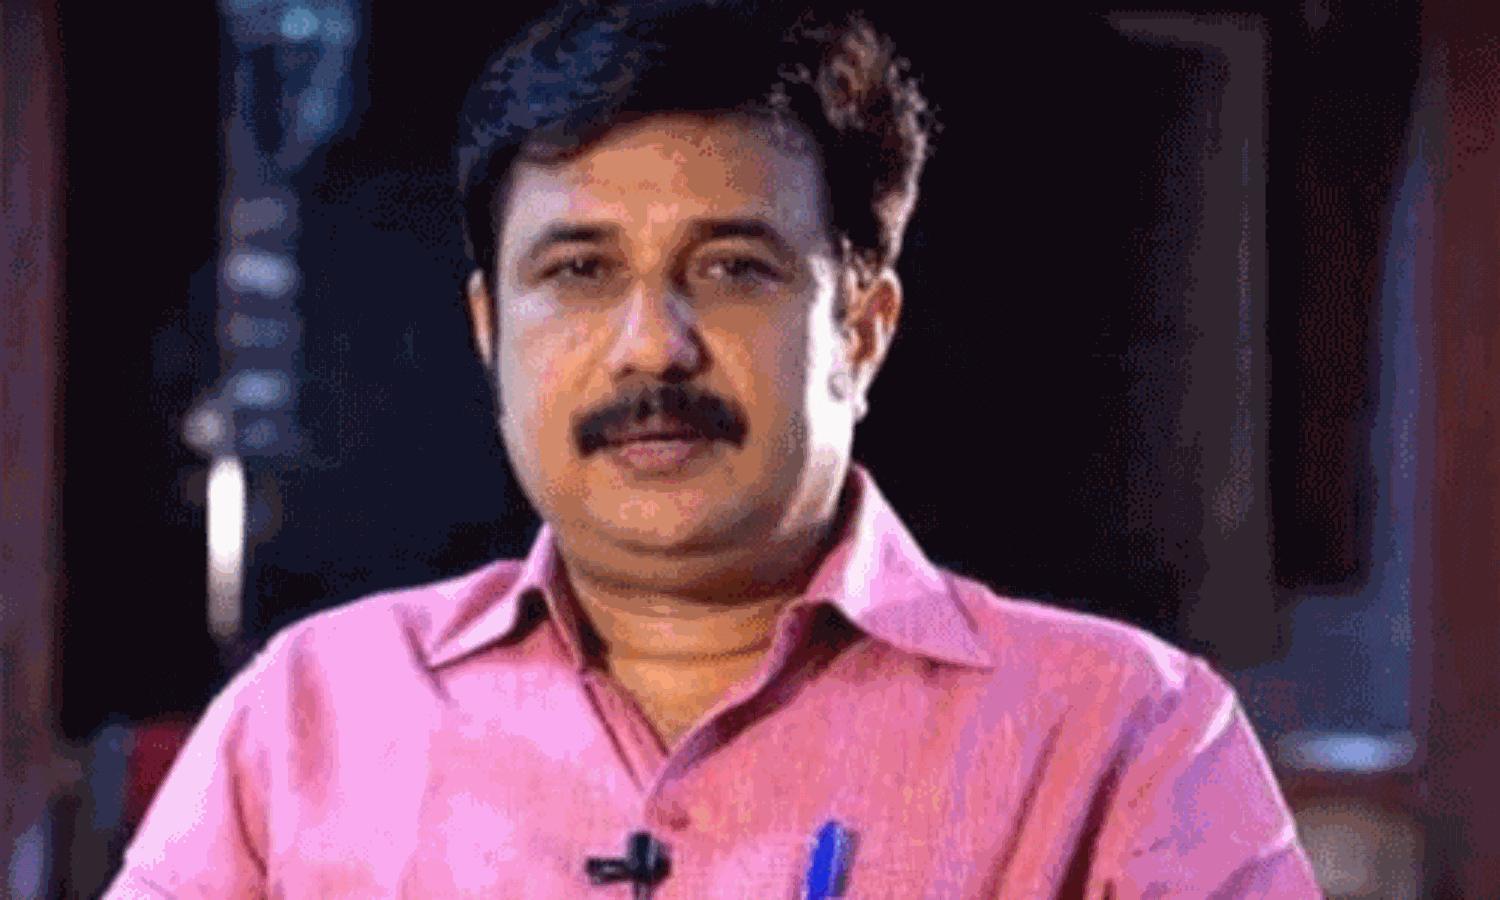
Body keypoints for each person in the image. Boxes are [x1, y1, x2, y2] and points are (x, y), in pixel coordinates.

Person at [105, 1, 1320, 896]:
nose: (653, 347)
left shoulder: (1127, 742)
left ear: (859, 328)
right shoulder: (306, 720)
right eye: (580, 272)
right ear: (489, 333)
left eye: (733, 268)